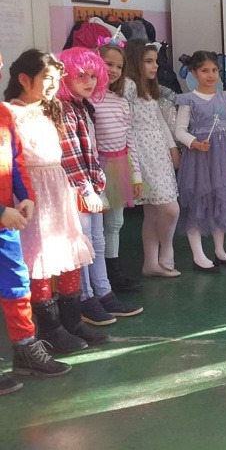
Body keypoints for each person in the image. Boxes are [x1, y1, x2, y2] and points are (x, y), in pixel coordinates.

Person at [4, 50, 104, 353]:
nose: (52, 85)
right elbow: (16, 160)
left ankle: (72, 321)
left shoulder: (54, 107)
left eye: (55, 79)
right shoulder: (11, 111)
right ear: (24, 79)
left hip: (58, 186)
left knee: (67, 250)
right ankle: (50, 328)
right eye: (46, 78)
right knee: (41, 255)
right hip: (33, 190)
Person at [0, 51, 69, 392]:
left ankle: (26, 350)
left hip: (7, 222)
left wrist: (23, 195)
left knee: (16, 284)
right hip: (3, 216)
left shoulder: (3, 114)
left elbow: (15, 160)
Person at [57, 47, 141, 326]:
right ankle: (85, 297)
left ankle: (103, 291)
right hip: (76, 189)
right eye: (82, 75)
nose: (89, 81)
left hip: (91, 185)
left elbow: (91, 152)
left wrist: (96, 184)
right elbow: (71, 156)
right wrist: (86, 189)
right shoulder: (65, 110)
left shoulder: (84, 107)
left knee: (97, 239)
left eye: (93, 76)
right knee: (83, 242)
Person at [174, 51, 226, 273]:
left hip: (222, 159)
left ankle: (220, 250)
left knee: (220, 200)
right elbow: (179, 131)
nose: (211, 75)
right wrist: (194, 143)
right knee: (198, 200)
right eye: (205, 71)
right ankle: (198, 255)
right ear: (194, 73)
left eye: (214, 70)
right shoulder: (188, 99)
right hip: (198, 159)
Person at [124, 40, 180, 277]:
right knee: (170, 209)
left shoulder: (149, 88)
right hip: (142, 152)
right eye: (149, 61)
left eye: (155, 61)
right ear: (135, 62)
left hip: (158, 151)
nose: (156, 66)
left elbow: (159, 120)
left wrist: (172, 147)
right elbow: (126, 124)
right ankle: (166, 252)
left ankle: (151, 263)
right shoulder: (128, 86)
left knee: (154, 212)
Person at [93, 41, 142, 292]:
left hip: (119, 165)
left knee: (115, 223)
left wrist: (136, 176)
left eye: (119, 66)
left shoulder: (121, 101)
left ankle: (114, 271)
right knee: (95, 225)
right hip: (97, 167)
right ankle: (98, 275)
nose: (113, 70)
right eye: (108, 64)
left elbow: (129, 139)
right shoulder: (88, 100)